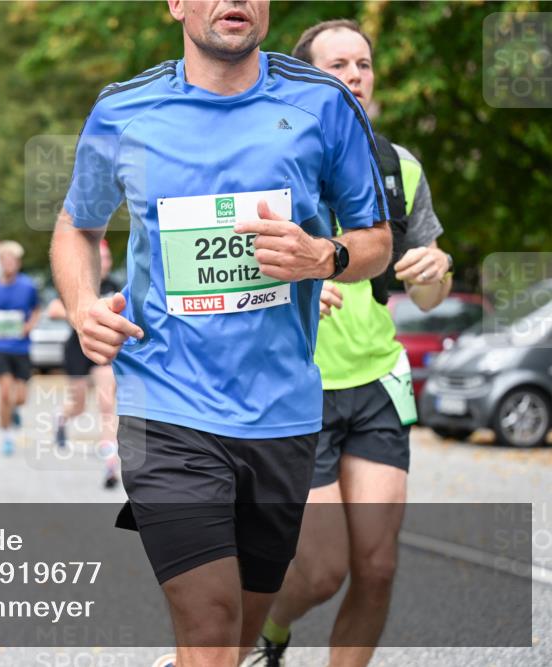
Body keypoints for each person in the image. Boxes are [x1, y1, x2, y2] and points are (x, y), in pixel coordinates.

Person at [49, 1, 394, 665]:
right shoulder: (125, 109)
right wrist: (81, 304)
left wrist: (326, 257)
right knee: (209, 626)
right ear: (176, 4)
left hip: (281, 415)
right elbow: (77, 224)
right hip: (166, 406)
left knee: (235, 636)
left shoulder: (321, 103)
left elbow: (377, 239)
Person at [256, 20, 453, 667]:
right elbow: (228, 264)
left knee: (378, 564)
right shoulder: (269, 158)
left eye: (363, 63)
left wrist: (435, 270)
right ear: (307, 77)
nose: (355, 74)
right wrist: (303, 280)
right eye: (337, 63)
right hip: (298, 387)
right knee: (320, 570)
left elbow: (426, 293)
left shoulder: (401, 167)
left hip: (374, 382)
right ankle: (272, 629)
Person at [47, 239, 123, 488]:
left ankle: (110, 461)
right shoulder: (78, 285)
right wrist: (81, 313)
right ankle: (61, 417)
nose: (106, 263)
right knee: (78, 405)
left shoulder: (115, 286)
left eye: (109, 258)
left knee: (106, 403)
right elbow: (53, 309)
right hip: (77, 349)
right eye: (101, 258)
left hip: (103, 352)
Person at [0, 240, 41, 456]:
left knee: (20, 397)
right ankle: (7, 437)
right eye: (4, 260)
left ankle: (14, 411)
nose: (8, 264)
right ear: (0, 263)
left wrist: (28, 326)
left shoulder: (28, 286)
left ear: (18, 263)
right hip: (0, 346)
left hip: (21, 348)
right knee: (5, 393)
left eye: (12, 260)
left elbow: (37, 310)